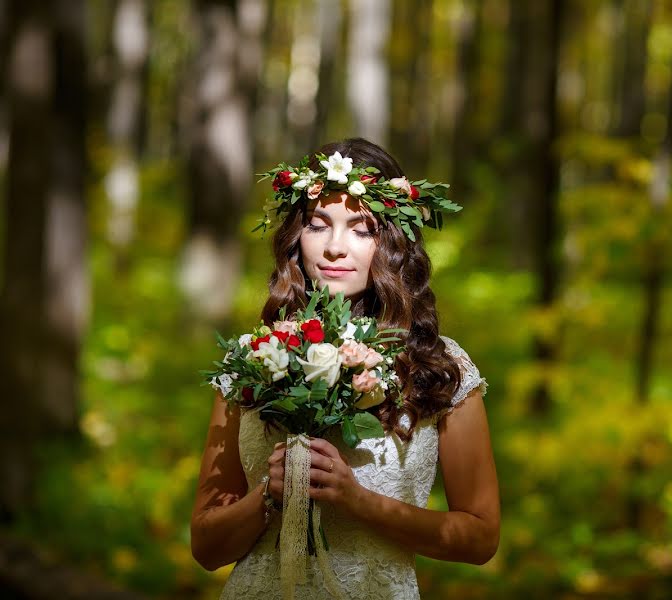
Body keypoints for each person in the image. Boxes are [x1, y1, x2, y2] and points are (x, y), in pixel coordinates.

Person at [190, 138, 500, 599]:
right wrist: (269, 495)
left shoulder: (439, 366)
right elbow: (207, 547)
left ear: (392, 242)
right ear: (297, 237)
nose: (336, 248)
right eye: (318, 225)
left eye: (361, 229)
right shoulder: (252, 360)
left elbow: (479, 538)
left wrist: (358, 501)